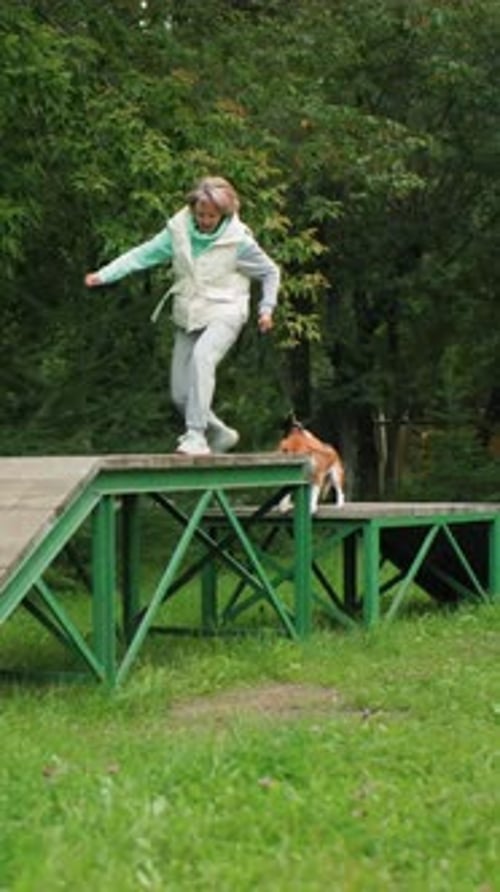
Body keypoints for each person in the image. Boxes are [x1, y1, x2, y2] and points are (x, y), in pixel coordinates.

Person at [85, 176, 280, 455]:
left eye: (211, 216)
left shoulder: (239, 242)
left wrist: (266, 308)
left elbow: (270, 271)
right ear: (192, 209)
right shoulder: (177, 232)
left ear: (223, 214)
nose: (205, 220)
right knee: (180, 394)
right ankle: (221, 433)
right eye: (200, 214)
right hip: (189, 313)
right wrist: (104, 275)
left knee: (203, 358)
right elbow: (142, 255)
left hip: (226, 310)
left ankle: (196, 436)